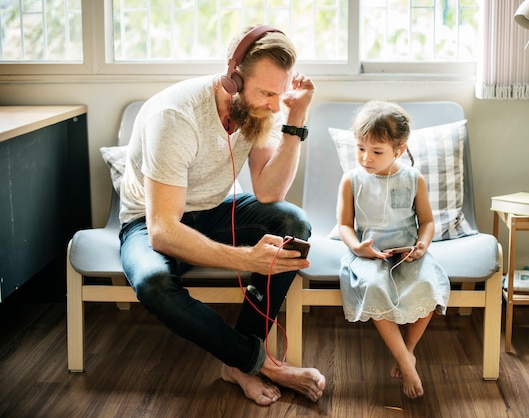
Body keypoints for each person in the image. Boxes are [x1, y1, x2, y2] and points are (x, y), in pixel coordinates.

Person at [118, 25, 325, 406]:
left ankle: (239, 363)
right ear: (233, 79)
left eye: (280, 94)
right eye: (266, 93)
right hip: (149, 222)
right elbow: (163, 231)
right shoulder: (176, 116)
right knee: (153, 283)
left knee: (292, 222)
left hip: (213, 211)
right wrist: (247, 258)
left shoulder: (259, 110)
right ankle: (256, 362)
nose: (274, 104)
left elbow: (268, 192)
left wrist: (296, 117)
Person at [336, 100, 450, 399]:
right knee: (373, 285)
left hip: (408, 249)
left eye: (376, 151)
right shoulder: (352, 180)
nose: (365, 158)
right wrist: (357, 248)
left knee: (429, 285)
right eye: (360, 148)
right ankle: (407, 364)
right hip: (369, 251)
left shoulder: (413, 179)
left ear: (399, 150)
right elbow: (345, 225)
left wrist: (422, 245)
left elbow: (426, 222)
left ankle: (406, 352)